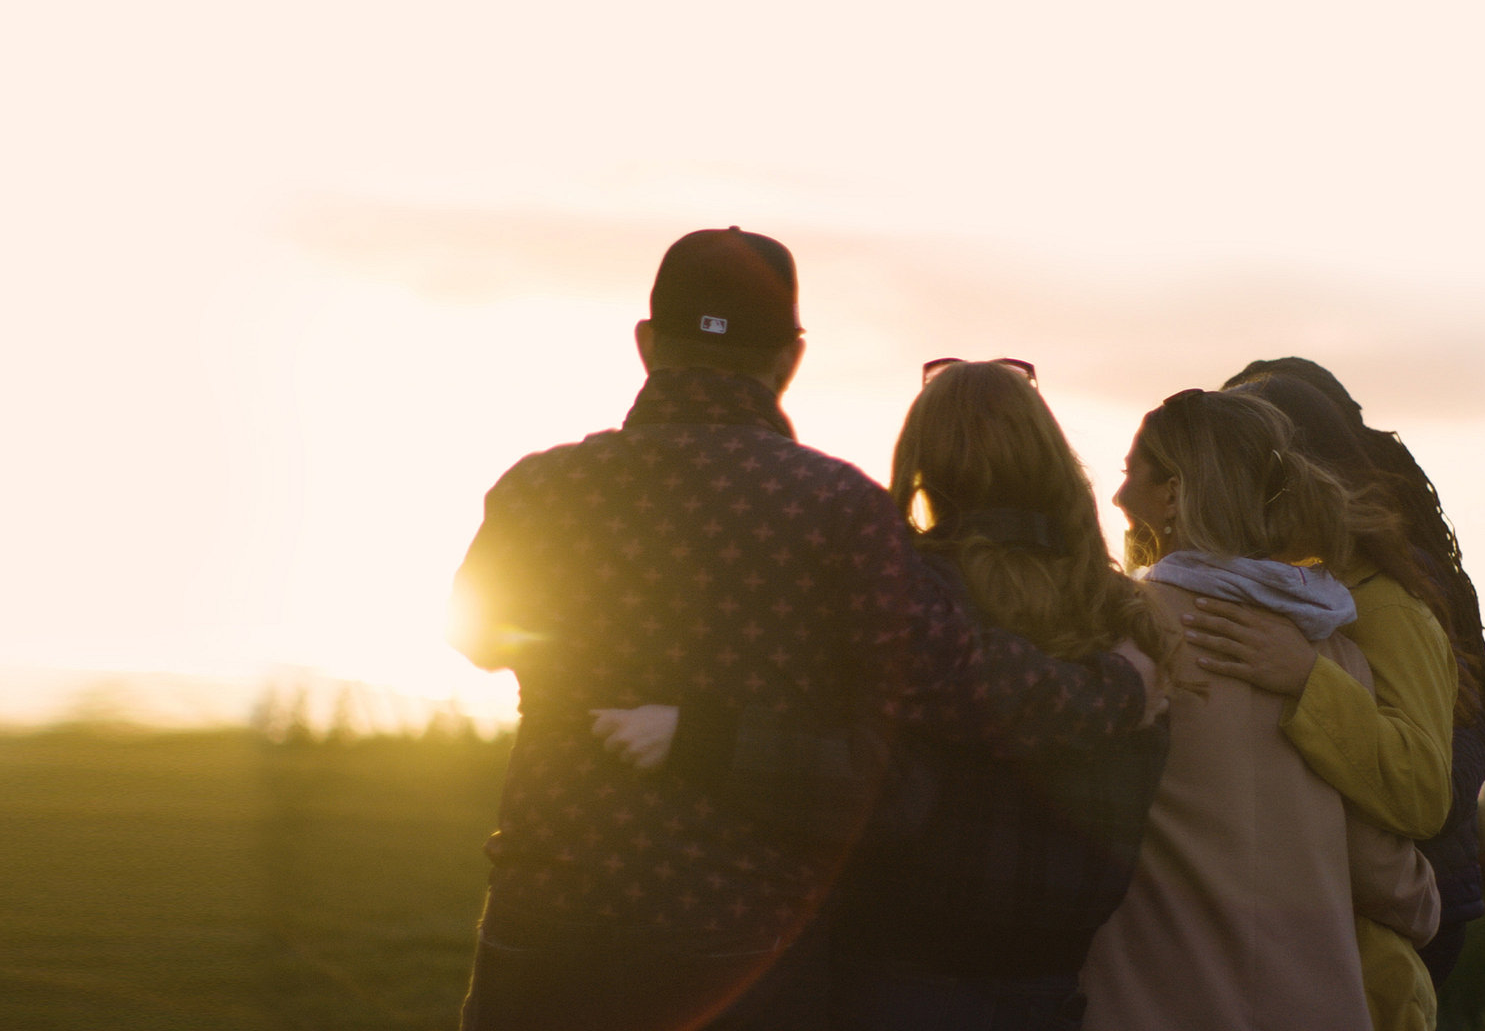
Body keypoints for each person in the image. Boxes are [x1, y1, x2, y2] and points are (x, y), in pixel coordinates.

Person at [448, 228, 1159, 1031]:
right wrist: (1122, 688)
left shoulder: (541, 489)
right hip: (739, 942)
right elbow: (972, 686)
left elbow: (477, 634)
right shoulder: (833, 511)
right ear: (790, 355)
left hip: (546, 917)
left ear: (647, 344)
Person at [823, 357, 1176, 1029]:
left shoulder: (906, 590)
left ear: (924, 459)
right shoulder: (1122, 616)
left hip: (894, 970)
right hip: (1050, 980)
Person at [1078, 388, 1441, 1031]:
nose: (1116, 496)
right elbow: (1380, 867)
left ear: (1172, 495)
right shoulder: (1332, 649)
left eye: (1130, 472)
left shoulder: (1121, 634)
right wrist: (1425, 905)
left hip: (1154, 1002)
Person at [1201, 358, 1485, 988]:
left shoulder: (1389, 578)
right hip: (1335, 901)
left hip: (1403, 907)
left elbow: (1449, 765)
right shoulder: (1274, 563)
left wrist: (1307, 679)